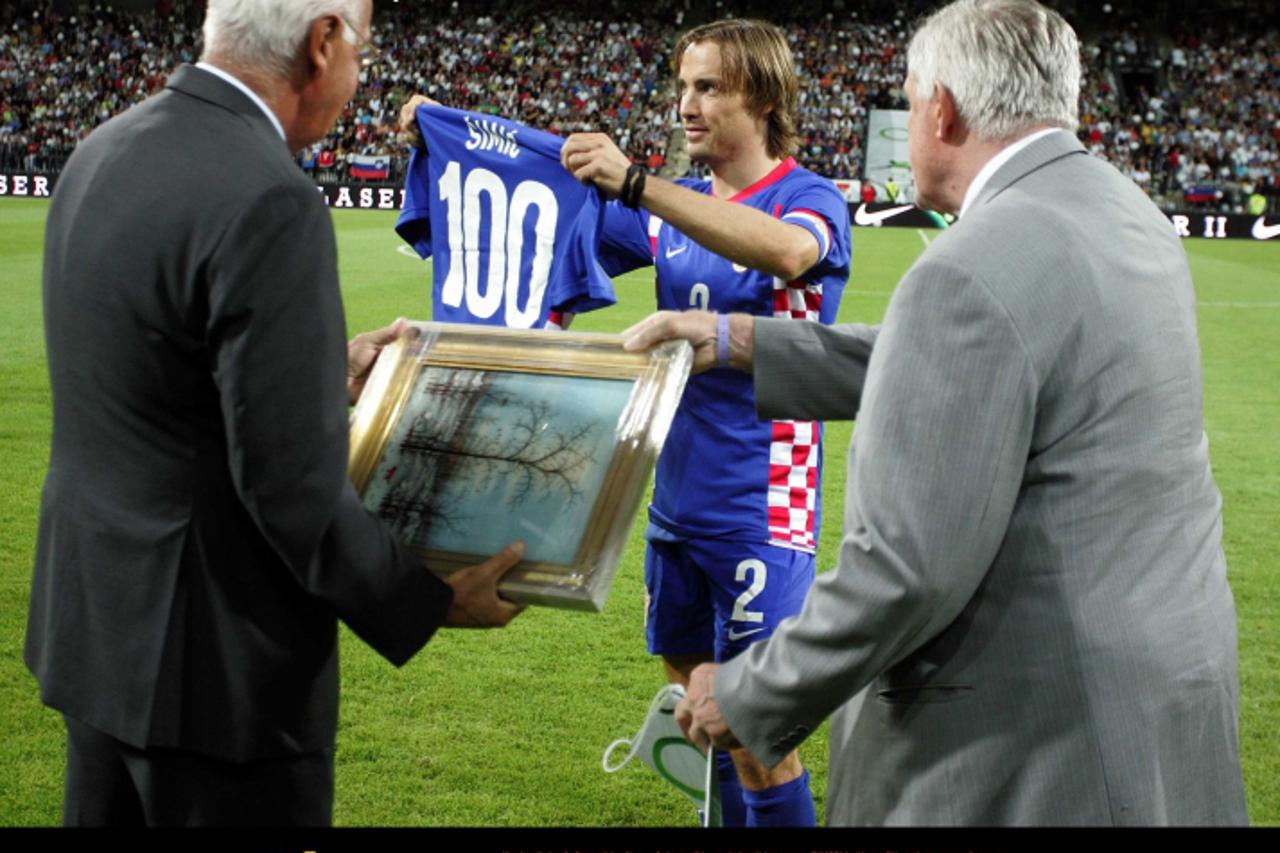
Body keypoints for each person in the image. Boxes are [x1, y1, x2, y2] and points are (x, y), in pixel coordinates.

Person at [627, 0, 1249, 826]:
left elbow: (908, 570)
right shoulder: (1125, 212)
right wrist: (744, 341)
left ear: (942, 109)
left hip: (1034, 741)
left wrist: (745, 690)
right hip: (1168, 692)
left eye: (910, 98)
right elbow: (978, 356)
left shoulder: (968, 266)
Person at [26, 0, 524, 827]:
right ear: (322, 43)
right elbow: (290, 487)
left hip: (97, 634)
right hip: (216, 674)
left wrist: (316, 374)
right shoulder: (271, 194)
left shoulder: (103, 146)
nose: (358, 79)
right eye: (361, 51)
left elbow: (162, 378)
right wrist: (429, 600)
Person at [561, 18, 851, 827]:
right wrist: (455, 138)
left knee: (757, 732)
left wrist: (640, 185)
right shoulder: (670, 210)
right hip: (674, 508)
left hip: (764, 511)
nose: (685, 105)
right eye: (682, 85)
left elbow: (791, 255)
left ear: (759, 95)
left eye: (708, 87)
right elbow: (558, 204)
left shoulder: (806, 197)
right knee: (698, 713)